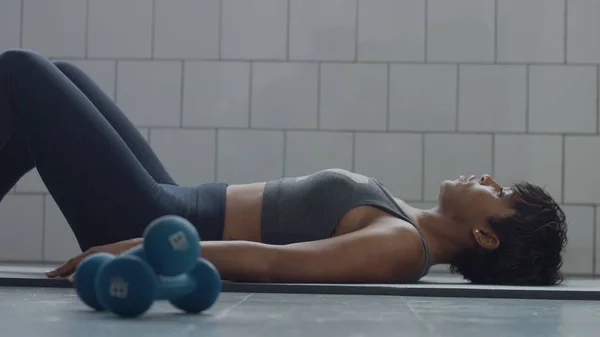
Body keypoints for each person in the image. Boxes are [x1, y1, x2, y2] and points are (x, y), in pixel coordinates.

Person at [0, 49, 567, 286]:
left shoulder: (401, 246)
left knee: (23, 72)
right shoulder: (405, 222)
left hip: (155, 223)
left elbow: (268, 263)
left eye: (501, 191)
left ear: (485, 235)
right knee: (59, 79)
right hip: (173, 199)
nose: (487, 178)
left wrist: (129, 248)